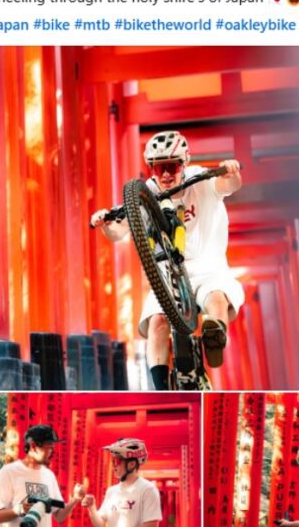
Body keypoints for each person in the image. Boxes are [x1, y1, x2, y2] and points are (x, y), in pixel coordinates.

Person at [91, 130, 243, 390]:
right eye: (159, 167)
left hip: (209, 270)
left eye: (172, 166)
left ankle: (214, 337)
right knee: (157, 322)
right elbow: (118, 232)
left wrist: (231, 172)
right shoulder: (144, 194)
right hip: (166, 277)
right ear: (151, 168)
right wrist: (104, 224)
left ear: (184, 163)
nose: (165, 175)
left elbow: (229, 185)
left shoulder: (199, 180)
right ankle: (160, 386)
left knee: (217, 297)